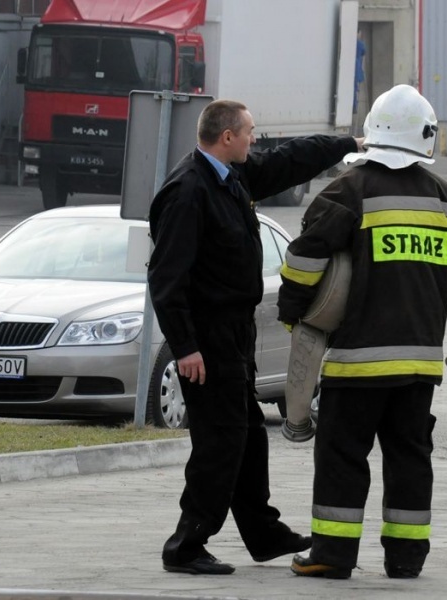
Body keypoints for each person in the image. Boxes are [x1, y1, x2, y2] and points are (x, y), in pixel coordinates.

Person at [277, 84, 447, 580]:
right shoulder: (445, 199)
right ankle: (405, 559)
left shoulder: (347, 191)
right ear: (426, 138)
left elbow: (303, 262)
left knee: (341, 456)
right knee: (409, 458)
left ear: (373, 132)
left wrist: (294, 315)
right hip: (418, 366)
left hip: (356, 362)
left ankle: (332, 554)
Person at [147, 100, 361, 576]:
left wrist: (347, 144)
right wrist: (186, 347)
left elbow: (288, 160)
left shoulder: (232, 176)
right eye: (249, 132)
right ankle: (186, 545)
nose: (254, 139)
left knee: (247, 436)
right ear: (227, 137)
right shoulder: (189, 191)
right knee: (220, 442)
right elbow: (166, 278)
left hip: (234, 335)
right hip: (207, 339)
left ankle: (264, 535)